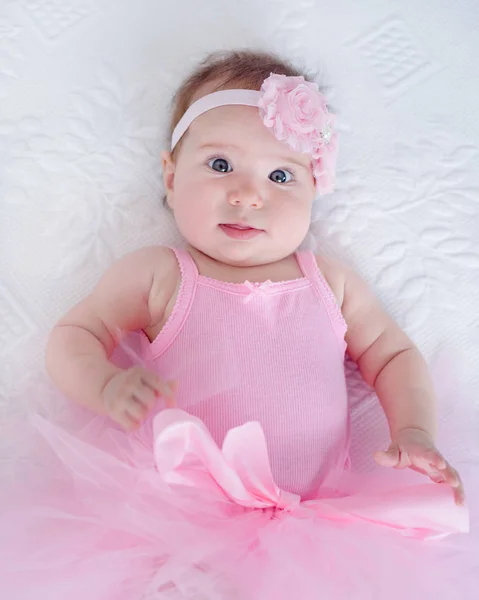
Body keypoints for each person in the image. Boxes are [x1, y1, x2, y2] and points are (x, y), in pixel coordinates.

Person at [0, 49, 477, 600]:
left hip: (316, 525)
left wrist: (413, 429)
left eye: (280, 175)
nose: (249, 194)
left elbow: (393, 356)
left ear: (314, 190)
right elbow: (75, 335)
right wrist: (104, 384)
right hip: (177, 519)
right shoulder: (161, 274)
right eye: (221, 165)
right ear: (171, 176)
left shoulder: (331, 281)